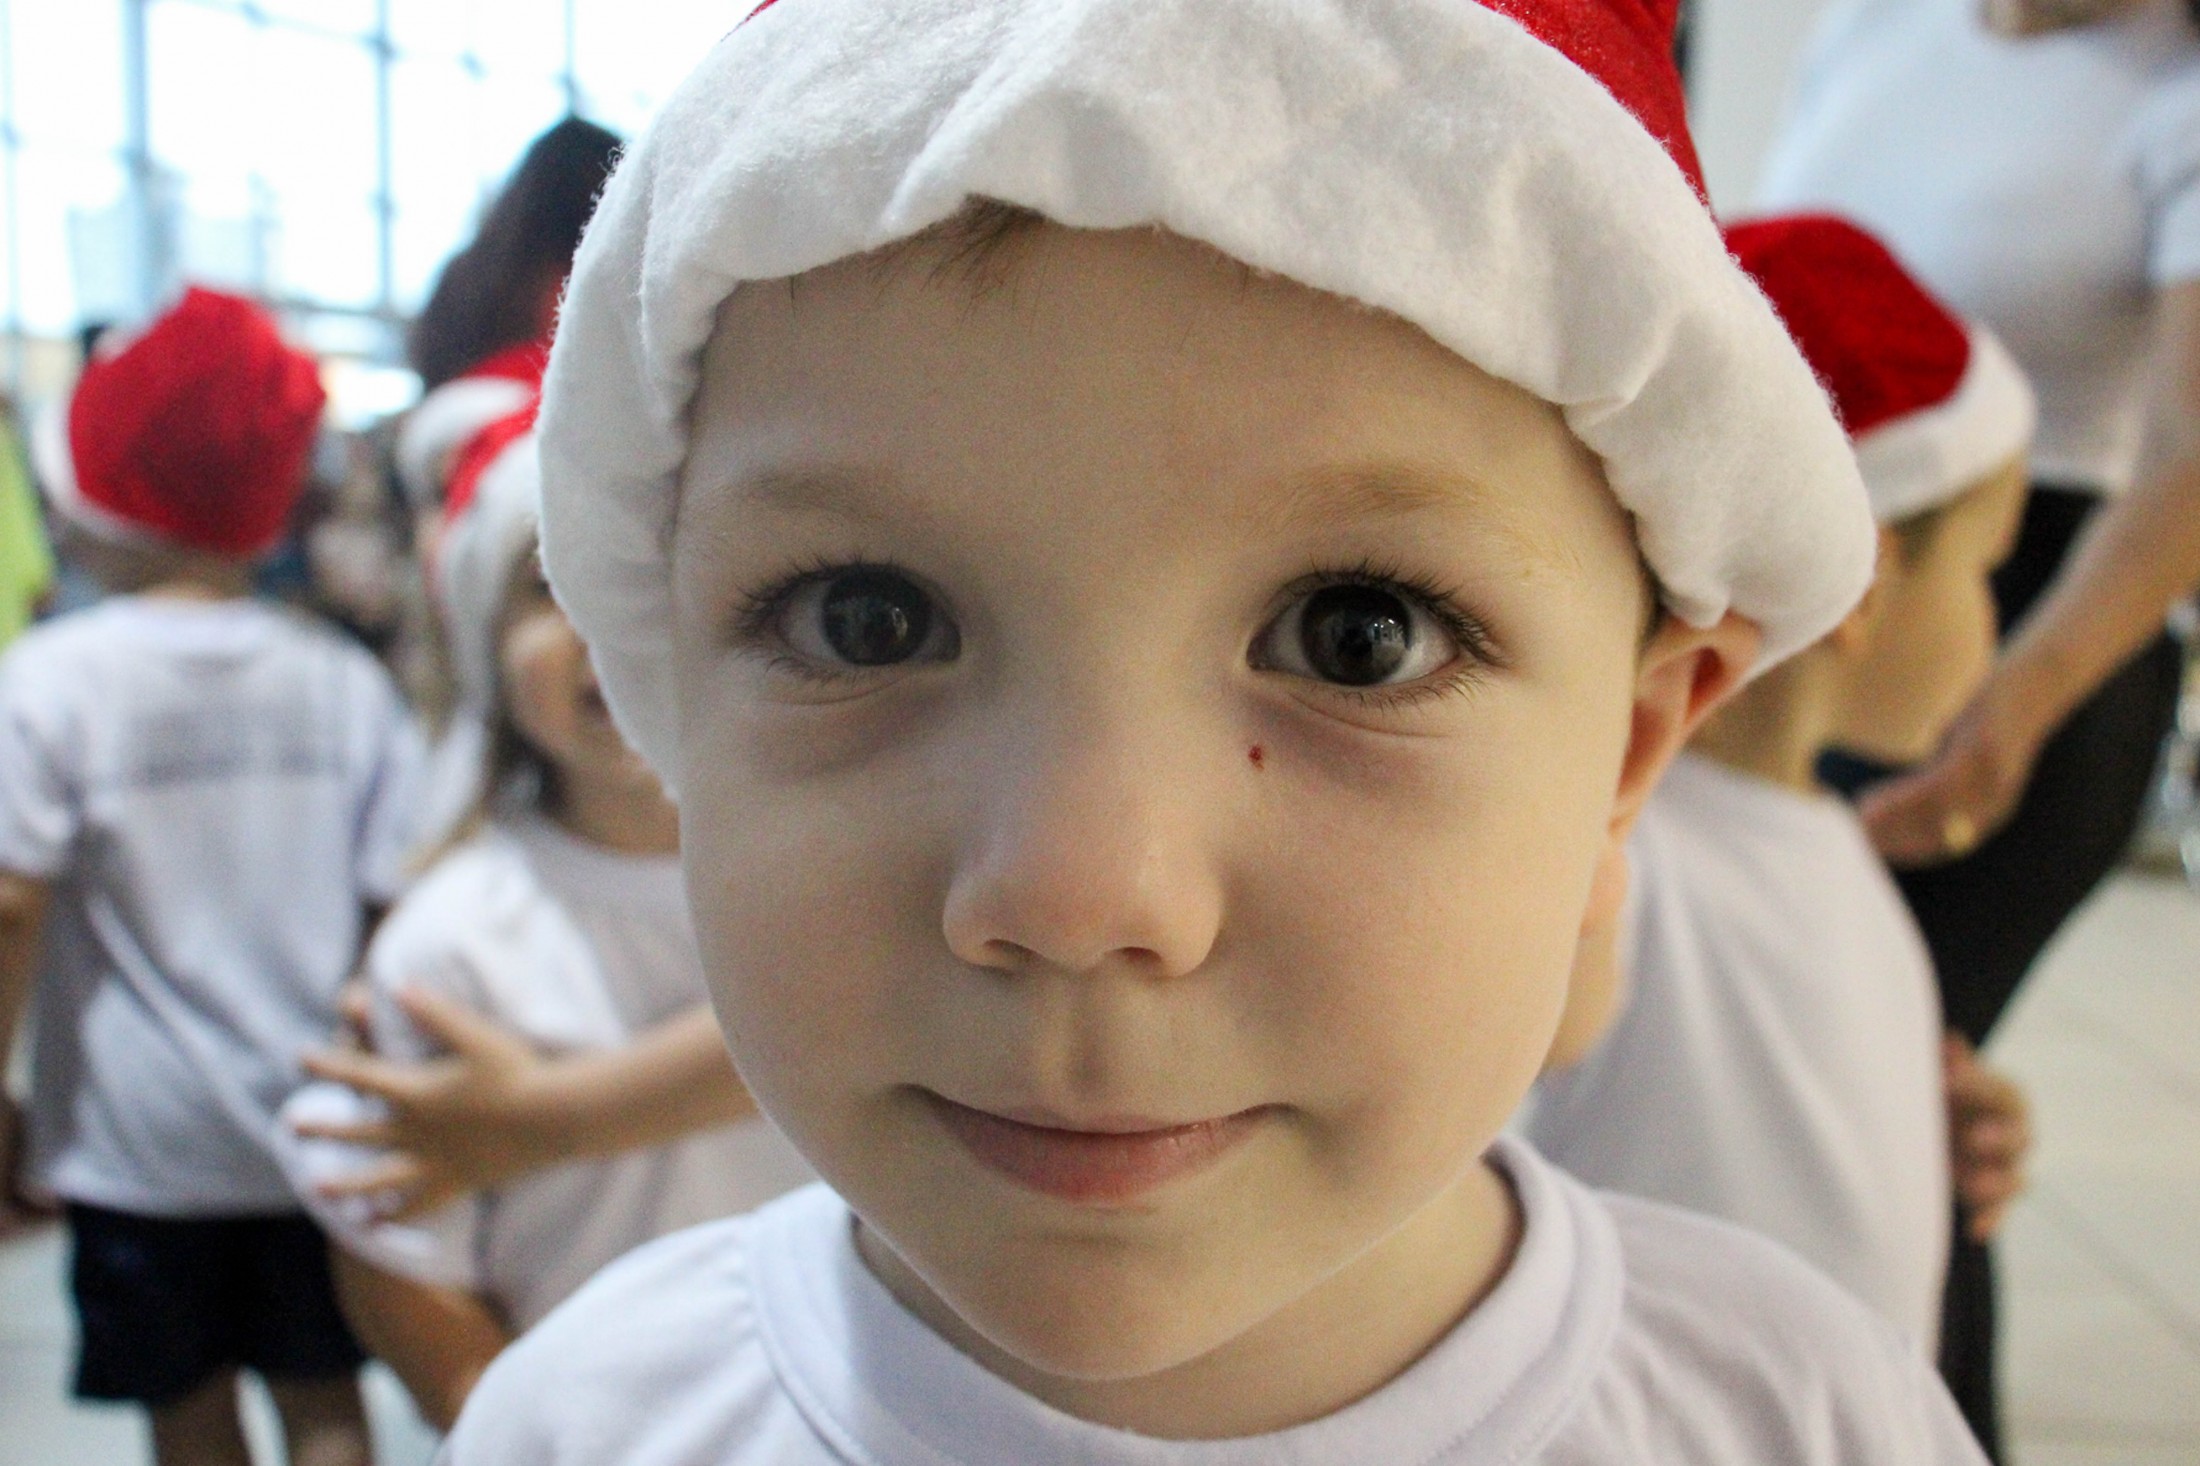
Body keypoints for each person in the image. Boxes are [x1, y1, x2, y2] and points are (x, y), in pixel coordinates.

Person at [443, 1, 1985, 1460]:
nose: (1077, 895)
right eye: (867, 618)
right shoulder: (574, 1428)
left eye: (1358, 635)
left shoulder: (1807, 1418)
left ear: (1628, 754)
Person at [1755, 1, 2200, 1452]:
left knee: (1903, 1096)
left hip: (2028, 622)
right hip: (1825, 611)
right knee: (1823, 1075)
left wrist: (2015, 703)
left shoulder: (2174, 95)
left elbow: (2189, 458)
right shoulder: (1878, 27)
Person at [1527, 213, 2035, 1350]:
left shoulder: (1825, 838)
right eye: (1985, 570)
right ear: (1862, 583)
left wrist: (1923, 1121)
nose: (1993, 623)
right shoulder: (1619, 862)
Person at [273, 421, 811, 1430]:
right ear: (483, 646)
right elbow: (398, 1257)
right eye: (551, 583)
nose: (614, 622)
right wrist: (508, 1422)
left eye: (665, 566)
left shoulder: (842, 884)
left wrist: (544, 1113)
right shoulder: (452, 942)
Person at [0, 288, 422, 1466]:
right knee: (326, 1397)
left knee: (186, 1411)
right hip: (312, 1122)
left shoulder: (52, 682)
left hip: (136, 1145)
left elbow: (12, 907)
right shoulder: (339, 680)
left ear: (100, 492)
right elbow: (394, 905)